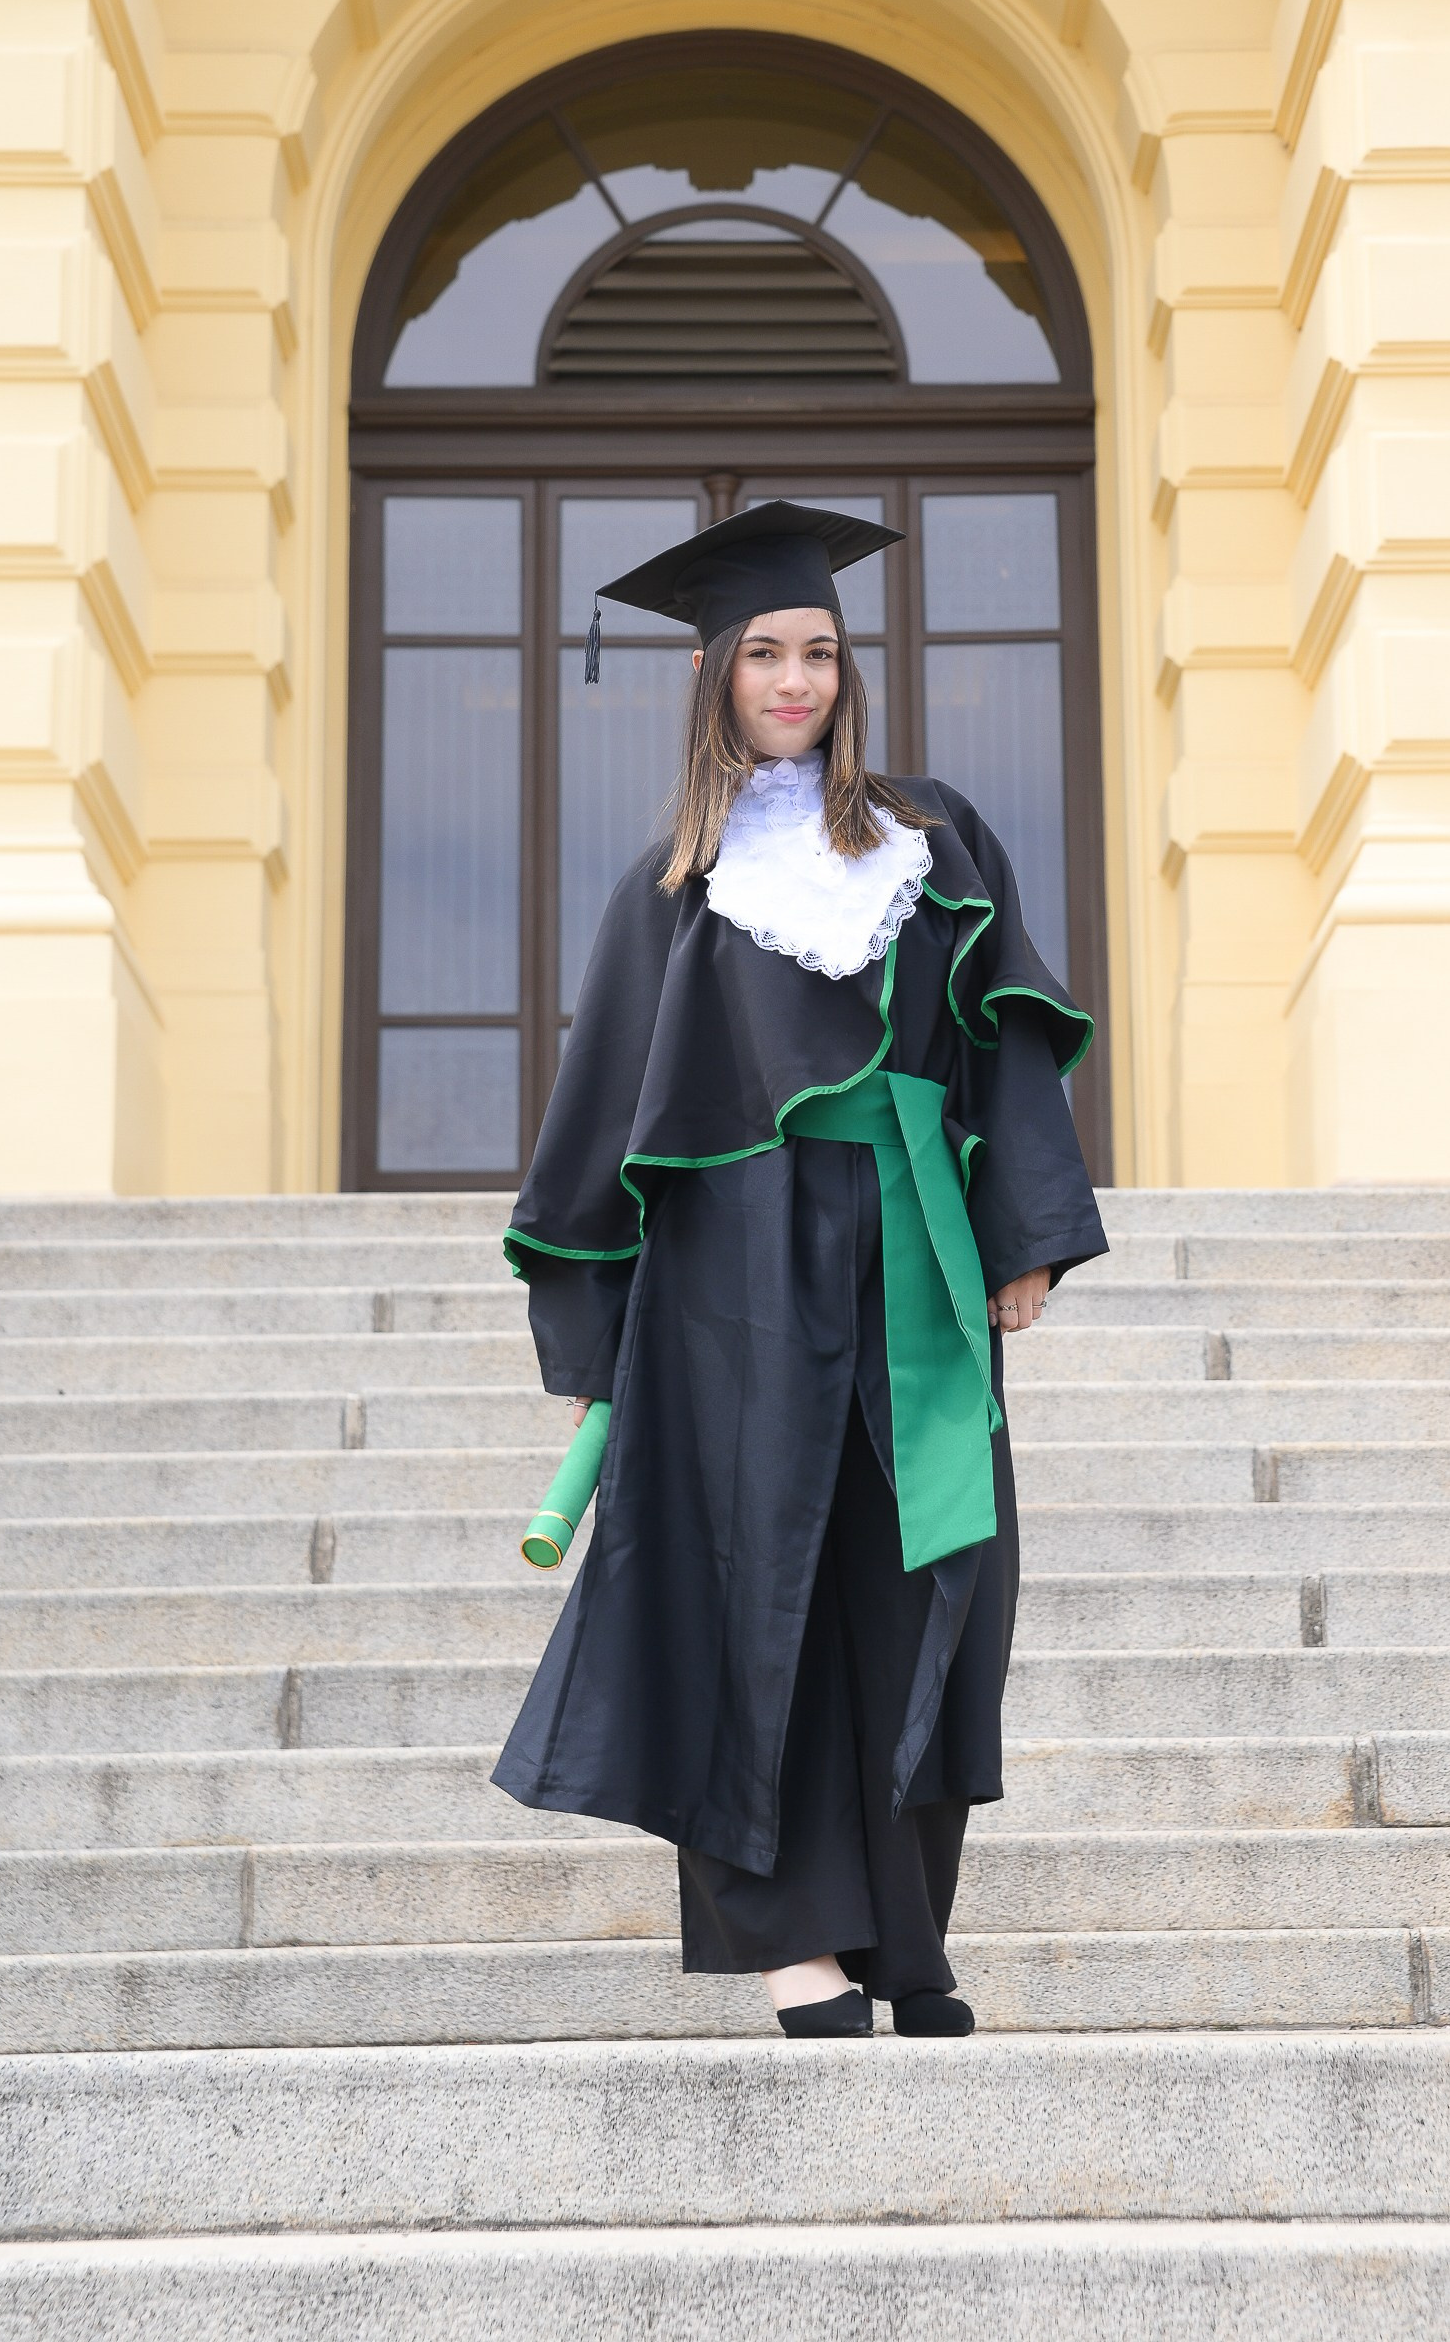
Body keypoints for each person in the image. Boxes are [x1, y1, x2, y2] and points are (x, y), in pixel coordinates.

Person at [492, 500, 1107, 2037]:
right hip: (731, 1286)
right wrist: (595, 1345)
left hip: (910, 1251)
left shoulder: (932, 837)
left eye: (818, 649)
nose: (794, 676)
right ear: (715, 678)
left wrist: (1025, 1236)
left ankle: (907, 1939)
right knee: (749, 1597)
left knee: (929, 1589)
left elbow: (1003, 1039)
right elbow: (601, 1122)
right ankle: (790, 1948)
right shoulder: (673, 891)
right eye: (763, 652)